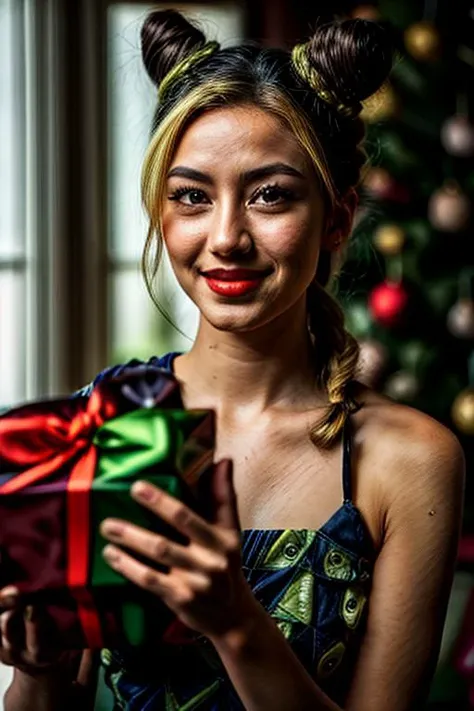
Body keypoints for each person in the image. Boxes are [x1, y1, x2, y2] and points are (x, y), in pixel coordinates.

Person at [0, 8, 465, 711]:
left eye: (269, 196)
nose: (226, 238)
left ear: (336, 218)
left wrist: (236, 623)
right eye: (192, 196)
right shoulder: (110, 416)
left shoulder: (408, 459)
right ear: (164, 215)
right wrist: (40, 669)